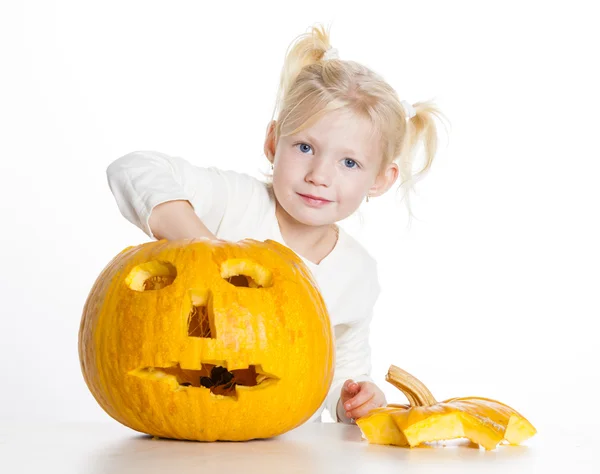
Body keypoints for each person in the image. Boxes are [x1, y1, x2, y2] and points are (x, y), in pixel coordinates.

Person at [106, 23, 448, 425]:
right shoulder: (234, 200)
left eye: (349, 162)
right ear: (273, 143)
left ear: (380, 179)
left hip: (279, 450)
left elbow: (338, 373)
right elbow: (133, 168)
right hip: (181, 423)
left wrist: (353, 399)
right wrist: (203, 249)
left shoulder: (357, 274)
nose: (319, 174)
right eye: (305, 148)